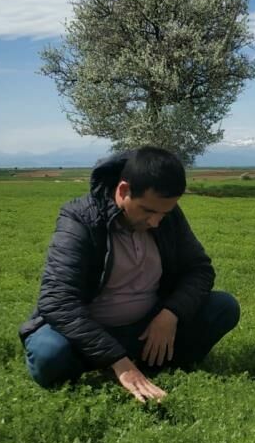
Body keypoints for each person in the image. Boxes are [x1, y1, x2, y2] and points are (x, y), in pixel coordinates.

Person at [19, 146, 240, 402]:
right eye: (148, 211)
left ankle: (148, 359)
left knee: (223, 307)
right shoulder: (80, 218)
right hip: (92, 329)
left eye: (164, 213)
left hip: (147, 327)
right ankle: (125, 364)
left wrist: (170, 314)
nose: (156, 222)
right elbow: (57, 300)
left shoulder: (167, 215)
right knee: (49, 354)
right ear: (123, 190)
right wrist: (116, 358)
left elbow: (199, 270)